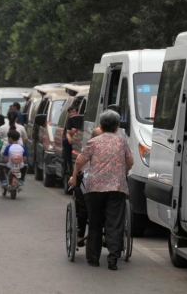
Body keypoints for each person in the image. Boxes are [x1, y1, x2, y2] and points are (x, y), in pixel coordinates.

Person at [69, 110, 134, 271]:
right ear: (117, 127)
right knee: (115, 224)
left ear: (101, 125)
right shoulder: (122, 142)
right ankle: (113, 259)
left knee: (95, 223)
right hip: (116, 188)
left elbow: (80, 161)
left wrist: (75, 177)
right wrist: (122, 172)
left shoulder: (94, 142)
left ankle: (93, 259)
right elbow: (130, 161)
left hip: (95, 188)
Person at [75, 126, 103, 247]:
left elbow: (78, 166)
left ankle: (80, 233)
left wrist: (73, 180)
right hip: (110, 188)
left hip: (90, 189)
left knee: (81, 204)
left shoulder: (87, 150)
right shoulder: (113, 149)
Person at [63, 105, 79, 174]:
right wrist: (69, 138)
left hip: (78, 139)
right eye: (70, 112)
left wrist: (75, 131)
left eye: (73, 111)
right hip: (72, 139)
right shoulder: (69, 120)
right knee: (65, 141)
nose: (72, 113)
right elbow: (68, 132)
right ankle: (69, 166)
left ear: (77, 112)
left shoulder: (80, 119)